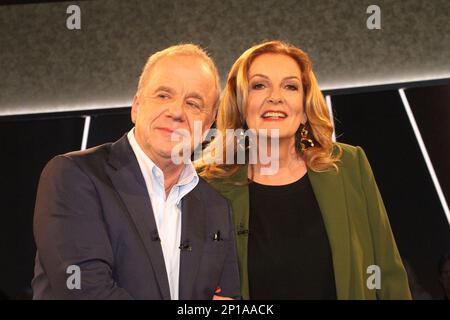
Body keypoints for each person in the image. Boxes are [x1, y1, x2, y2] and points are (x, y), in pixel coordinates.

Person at [196, 40, 412, 299]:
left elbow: (388, 275)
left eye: (290, 86)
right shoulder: (207, 186)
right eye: (259, 85)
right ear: (241, 105)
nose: (275, 97)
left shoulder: (348, 166)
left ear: (304, 109)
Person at [32, 44, 240, 300]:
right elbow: (86, 292)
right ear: (137, 107)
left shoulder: (216, 206)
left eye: (193, 103)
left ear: (207, 125)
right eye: (164, 95)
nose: (176, 112)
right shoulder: (73, 176)